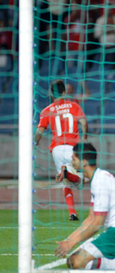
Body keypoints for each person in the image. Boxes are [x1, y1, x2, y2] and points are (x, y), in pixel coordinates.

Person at [55, 142, 115, 270]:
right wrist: (69, 240)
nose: (71, 162)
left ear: (84, 162)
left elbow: (97, 223)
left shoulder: (100, 180)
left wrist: (71, 242)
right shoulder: (97, 178)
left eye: (74, 159)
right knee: (72, 260)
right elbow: (90, 218)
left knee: (78, 263)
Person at [34, 79, 88, 220]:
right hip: (72, 147)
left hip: (57, 149)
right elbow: (83, 121)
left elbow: (39, 131)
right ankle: (68, 174)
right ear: (64, 92)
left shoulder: (46, 111)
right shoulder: (74, 105)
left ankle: (72, 213)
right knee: (81, 182)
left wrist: (35, 142)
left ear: (52, 94)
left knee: (66, 183)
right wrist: (85, 138)